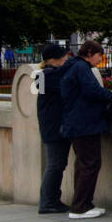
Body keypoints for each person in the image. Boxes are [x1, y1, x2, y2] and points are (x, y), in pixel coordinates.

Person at [60, 40, 112, 220]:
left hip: (77, 123)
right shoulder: (81, 68)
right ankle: (80, 207)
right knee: (90, 164)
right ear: (90, 52)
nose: (100, 60)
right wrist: (110, 95)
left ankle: (84, 204)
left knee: (83, 164)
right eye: (99, 56)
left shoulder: (72, 66)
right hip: (84, 124)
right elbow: (92, 90)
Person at [36, 44, 77, 213]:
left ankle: (53, 200)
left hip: (54, 126)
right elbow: (65, 86)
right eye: (64, 57)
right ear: (54, 59)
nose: (66, 60)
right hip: (53, 128)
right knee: (55, 164)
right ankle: (47, 202)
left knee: (58, 164)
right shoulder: (45, 76)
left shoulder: (47, 75)